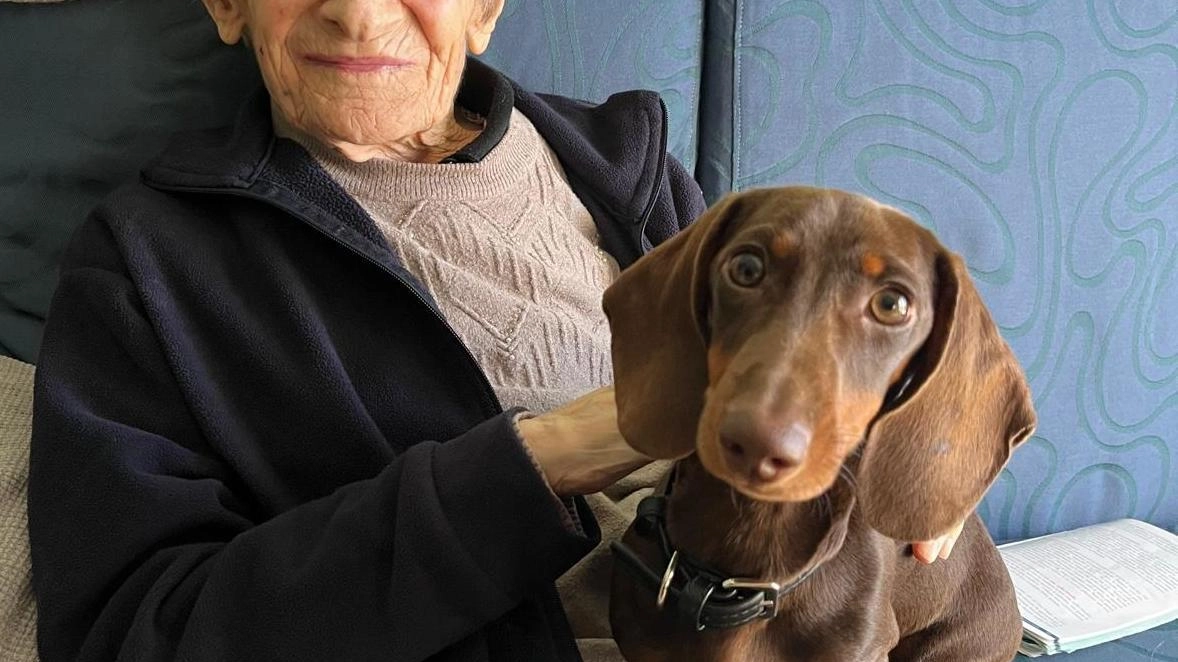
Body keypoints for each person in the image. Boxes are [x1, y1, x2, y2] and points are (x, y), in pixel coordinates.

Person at [27, 1, 963, 660]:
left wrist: (916, 467)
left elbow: (808, 386)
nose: (357, 12)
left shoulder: (627, 172)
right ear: (226, 4)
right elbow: (133, 635)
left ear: (485, 6)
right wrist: (551, 452)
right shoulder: (146, 266)